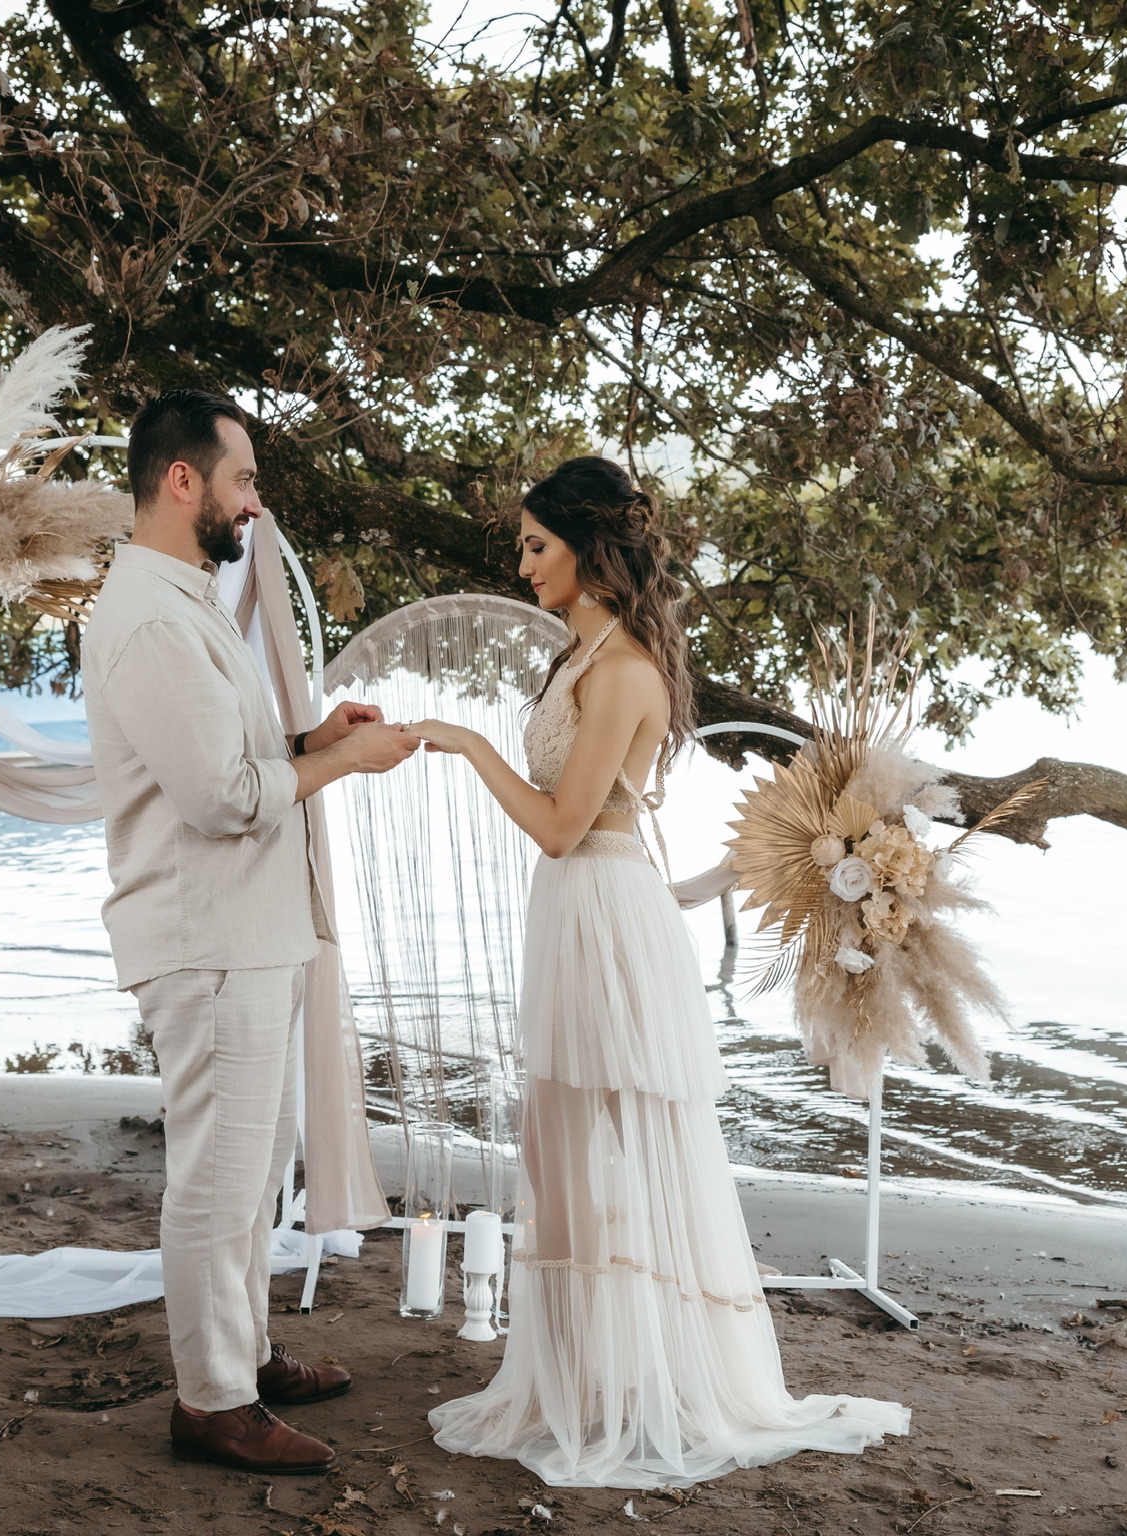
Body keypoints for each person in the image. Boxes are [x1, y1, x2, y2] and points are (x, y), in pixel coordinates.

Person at [409, 456, 910, 1489]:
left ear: (591, 552)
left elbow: (559, 826)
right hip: (578, 908)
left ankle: (642, 1381)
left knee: (619, 1142)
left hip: (603, 907)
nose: (521, 561)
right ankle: (582, 1374)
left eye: (536, 545)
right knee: (559, 1141)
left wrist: (461, 742)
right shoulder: (579, 649)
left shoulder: (626, 666)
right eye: (522, 545)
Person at [81, 389, 419, 1475]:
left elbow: (229, 748)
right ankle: (212, 1402)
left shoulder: (181, 598)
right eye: (242, 481)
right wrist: (341, 764)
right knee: (219, 1177)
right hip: (207, 935)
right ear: (182, 481)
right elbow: (221, 797)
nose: (253, 505)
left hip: (248, 929)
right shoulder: (143, 616)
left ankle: (248, 1350)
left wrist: (306, 733)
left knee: (256, 1162)